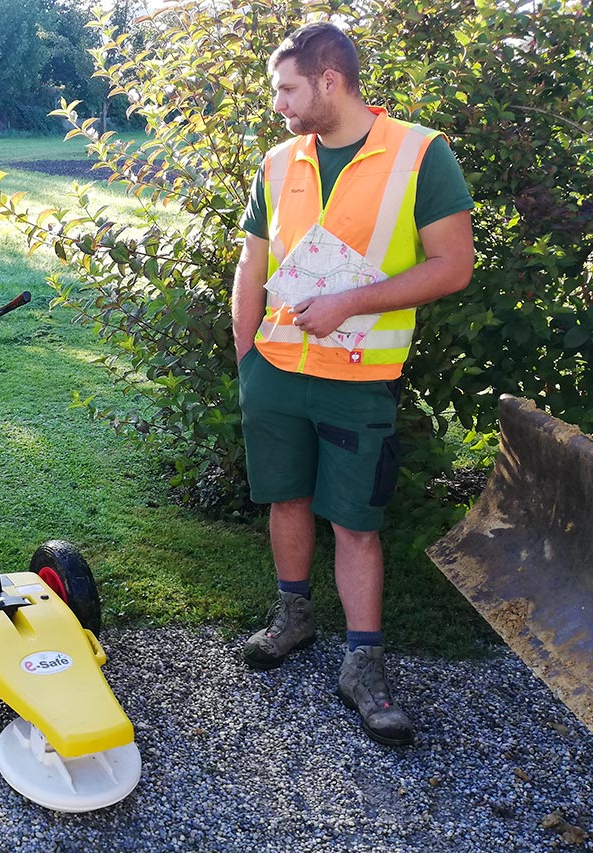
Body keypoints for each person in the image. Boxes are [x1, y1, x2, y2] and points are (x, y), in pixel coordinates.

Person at [231, 22, 474, 746]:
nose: (277, 104)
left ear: (329, 81)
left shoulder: (421, 154)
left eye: (287, 89)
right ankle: (293, 616)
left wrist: (347, 305)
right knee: (285, 500)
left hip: (360, 380)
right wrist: (247, 356)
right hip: (275, 372)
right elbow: (251, 264)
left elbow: (453, 265)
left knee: (357, 524)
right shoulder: (278, 161)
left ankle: (363, 663)